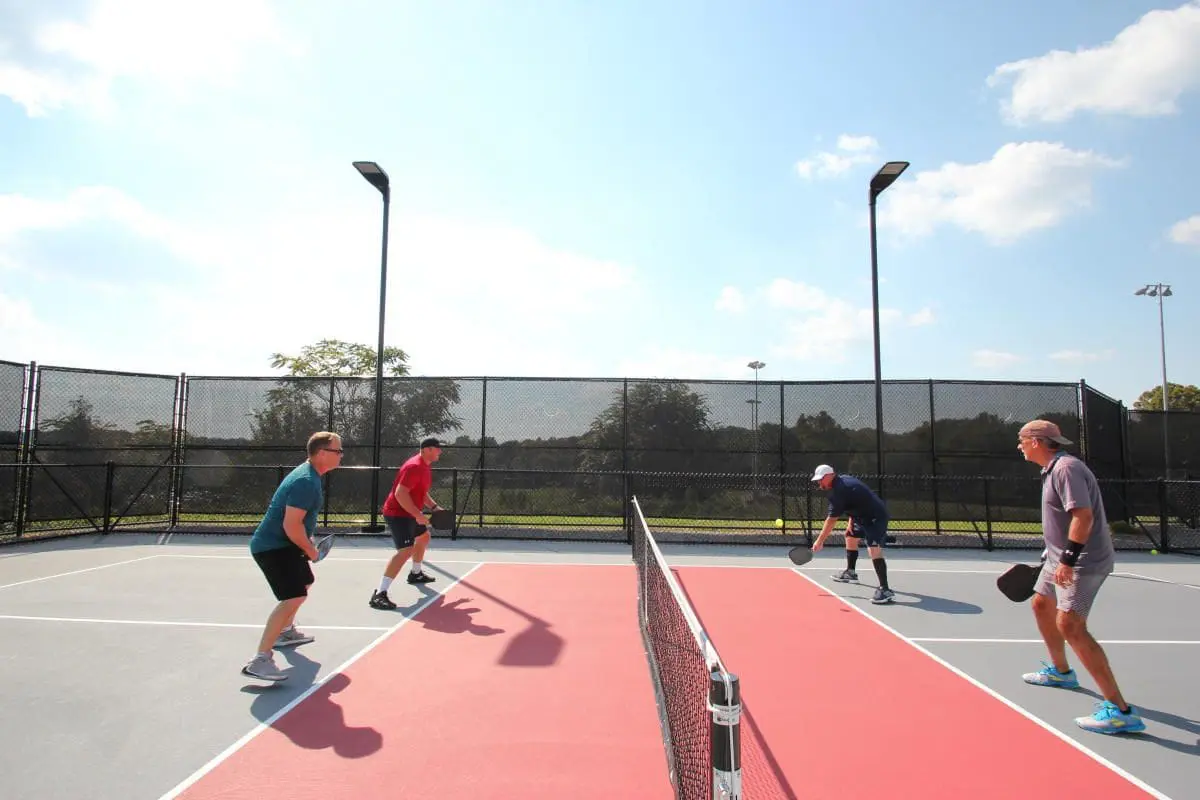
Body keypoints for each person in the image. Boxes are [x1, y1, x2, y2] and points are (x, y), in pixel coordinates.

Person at [1016, 419, 1145, 734]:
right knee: (1041, 604)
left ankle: (1120, 711)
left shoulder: (1066, 470)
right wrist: (1054, 554)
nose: (1019, 446)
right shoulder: (1052, 470)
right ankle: (1061, 672)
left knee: (1070, 624)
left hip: (1083, 561)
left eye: (1021, 440)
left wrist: (1069, 560)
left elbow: (1082, 516)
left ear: (1035, 441)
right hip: (1059, 557)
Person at [241, 431, 344, 682]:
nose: (341, 455)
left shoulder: (311, 476)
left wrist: (307, 543)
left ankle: (285, 632)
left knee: (305, 582)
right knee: (293, 595)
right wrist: (310, 549)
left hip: (286, 545)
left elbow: (298, 524)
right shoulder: (306, 482)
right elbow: (291, 525)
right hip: (273, 547)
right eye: (337, 451)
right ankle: (260, 659)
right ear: (322, 453)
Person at [369, 437, 447, 610]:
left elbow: (421, 492)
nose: (440, 451)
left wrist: (434, 507)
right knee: (405, 551)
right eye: (437, 448)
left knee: (424, 537)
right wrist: (417, 514)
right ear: (427, 449)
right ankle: (379, 594)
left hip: (409, 513)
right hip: (398, 514)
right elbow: (400, 494)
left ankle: (416, 573)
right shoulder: (414, 467)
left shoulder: (425, 467)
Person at [809, 464, 896, 604]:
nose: (819, 483)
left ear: (830, 476)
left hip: (875, 517)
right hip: (860, 516)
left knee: (873, 548)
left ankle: (885, 589)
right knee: (850, 537)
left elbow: (831, 521)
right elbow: (855, 500)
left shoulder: (838, 491)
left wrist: (819, 541)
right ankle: (850, 572)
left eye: (821, 479)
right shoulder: (843, 482)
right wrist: (851, 521)